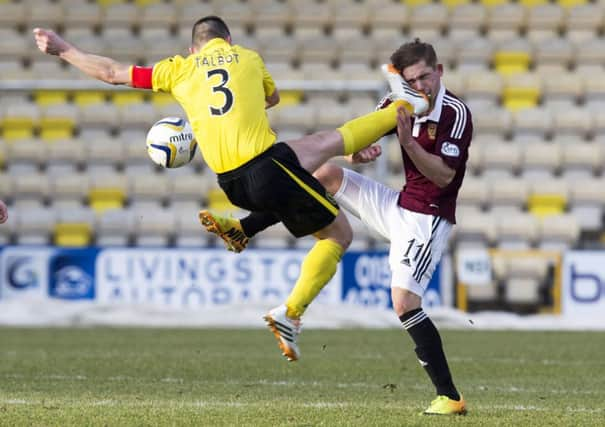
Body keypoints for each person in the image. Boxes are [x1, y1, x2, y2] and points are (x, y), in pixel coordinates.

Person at [33, 17, 428, 362]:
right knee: (339, 233)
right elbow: (271, 98)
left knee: (323, 152)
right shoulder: (249, 58)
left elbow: (111, 72)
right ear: (230, 41)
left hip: (232, 182)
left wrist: (64, 49)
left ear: (193, 47)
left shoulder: (179, 69)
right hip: (264, 167)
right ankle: (289, 313)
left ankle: (243, 229)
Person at [211, 39, 471, 416]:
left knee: (404, 303)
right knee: (327, 173)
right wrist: (356, 153)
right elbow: (356, 139)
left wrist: (408, 144)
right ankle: (244, 230)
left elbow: (445, 177)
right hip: (398, 205)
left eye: (426, 78)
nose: (420, 88)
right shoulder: (399, 102)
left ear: (440, 71)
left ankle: (449, 396)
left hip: (427, 217)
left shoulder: (455, 114)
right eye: (412, 81)